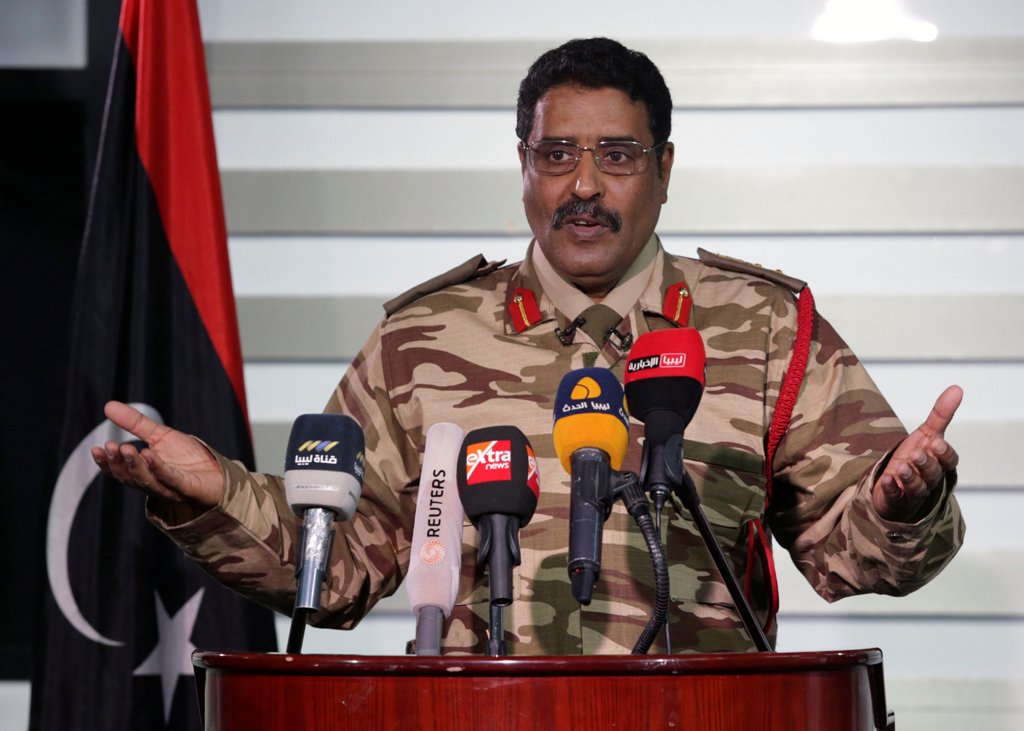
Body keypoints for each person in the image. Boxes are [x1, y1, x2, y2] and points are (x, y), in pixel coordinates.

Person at [93, 37, 963, 655]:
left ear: (664, 169)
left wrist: (904, 501)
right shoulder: (419, 338)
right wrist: (215, 495)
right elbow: (340, 569)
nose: (584, 185)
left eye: (616, 156)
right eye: (557, 154)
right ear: (522, 165)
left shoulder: (766, 328)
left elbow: (857, 558)